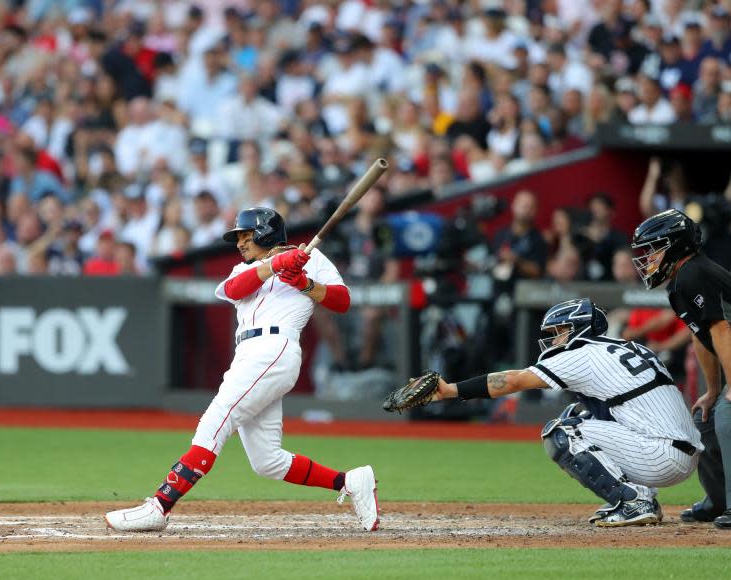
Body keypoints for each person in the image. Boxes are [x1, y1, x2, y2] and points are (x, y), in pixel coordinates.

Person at [104, 207, 378, 532]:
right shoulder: (240, 269)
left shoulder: (311, 259)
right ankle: (350, 481)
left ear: (264, 233)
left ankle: (159, 506)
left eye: (245, 236)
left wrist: (305, 284)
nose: (239, 244)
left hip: (275, 347)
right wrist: (275, 265)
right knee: (266, 460)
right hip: (248, 354)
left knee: (216, 419)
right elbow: (235, 290)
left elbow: (342, 301)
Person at [429, 298, 701, 526]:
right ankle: (642, 496)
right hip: (683, 452)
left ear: (578, 330)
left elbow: (513, 381)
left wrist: (449, 390)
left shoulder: (583, 354)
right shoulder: (628, 347)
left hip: (660, 455)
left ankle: (634, 501)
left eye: (559, 331)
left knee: (560, 433)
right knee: (579, 414)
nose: (554, 339)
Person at [632, 209, 731, 529]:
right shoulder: (680, 282)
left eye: (653, 249)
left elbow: (722, 329)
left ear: (675, 245)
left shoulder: (695, 273)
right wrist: (714, 389)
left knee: (728, 419)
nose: (647, 259)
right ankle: (718, 501)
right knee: (706, 418)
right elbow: (701, 336)